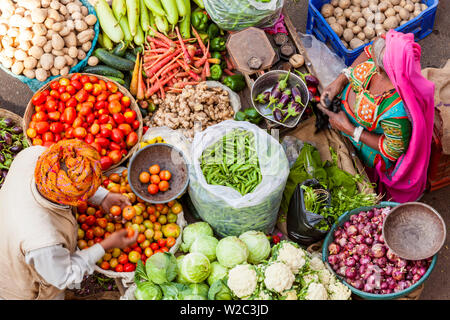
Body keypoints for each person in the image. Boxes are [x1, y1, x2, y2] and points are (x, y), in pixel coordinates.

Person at [0, 139, 138, 300]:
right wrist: (106, 245)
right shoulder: (43, 239)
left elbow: (65, 182)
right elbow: (63, 277)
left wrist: (103, 197)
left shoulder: (33, 156)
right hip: (17, 283)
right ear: (68, 199)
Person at [317, 30, 435, 202]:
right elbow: (367, 52)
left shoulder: (396, 112)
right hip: (343, 120)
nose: (368, 56)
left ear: (379, 67)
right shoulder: (393, 60)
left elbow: (391, 150)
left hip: (364, 145)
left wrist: (350, 130)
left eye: (372, 57)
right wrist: (339, 81)